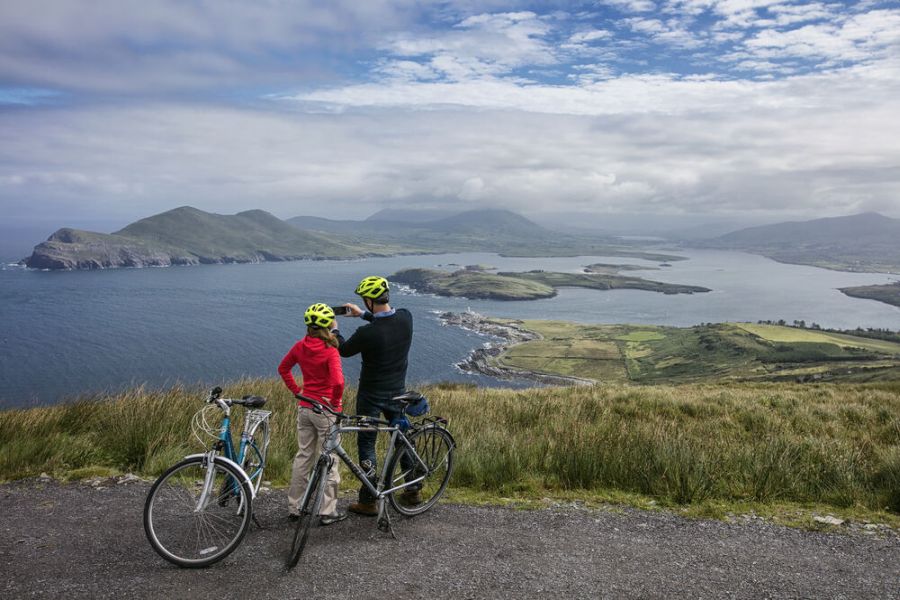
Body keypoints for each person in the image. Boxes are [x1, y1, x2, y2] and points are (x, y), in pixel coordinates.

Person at [335, 275, 418, 516]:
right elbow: (386, 323)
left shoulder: (366, 333)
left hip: (371, 395)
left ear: (369, 300)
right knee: (403, 437)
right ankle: (413, 489)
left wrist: (335, 330)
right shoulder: (406, 317)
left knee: (367, 443)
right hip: (397, 393)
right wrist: (362, 313)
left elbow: (344, 349)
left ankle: (369, 500)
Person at [277, 303, 347, 526]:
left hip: (305, 407)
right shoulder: (330, 350)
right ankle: (327, 511)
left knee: (303, 456)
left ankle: (295, 507)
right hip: (325, 409)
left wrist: (297, 391)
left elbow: (283, 368)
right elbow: (338, 382)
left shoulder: (300, 346)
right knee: (331, 459)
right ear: (329, 325)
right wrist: (335, 404)